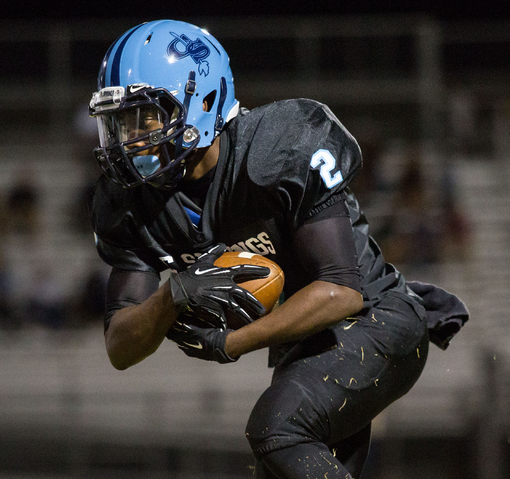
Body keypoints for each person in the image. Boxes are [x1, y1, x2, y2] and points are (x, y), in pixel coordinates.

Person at [87, 20, 469, 478]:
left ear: (202, 101)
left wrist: (232, 341)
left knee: (277, 429)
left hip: (376, 320)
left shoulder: (277, 146)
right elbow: (120, 346)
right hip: (303, 351)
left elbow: (341, 292)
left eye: (143, 117)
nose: (129, 139)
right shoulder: (130, 204)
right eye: (118, 122)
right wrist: (173, 295)